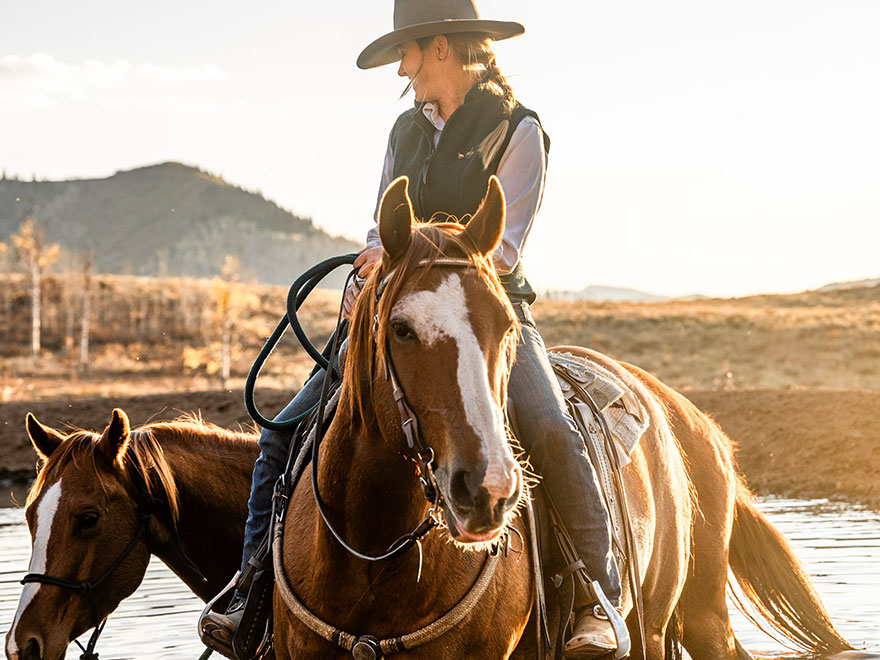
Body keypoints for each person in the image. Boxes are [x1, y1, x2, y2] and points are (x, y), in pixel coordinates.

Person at [202, 2, 627, 659]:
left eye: (406, 53)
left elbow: (503, 249)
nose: (401, 68)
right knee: (283, 429)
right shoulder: (404, 130)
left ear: (438, 49)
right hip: (394, 315)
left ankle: (596, 600)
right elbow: (380, 230)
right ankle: (252, 592)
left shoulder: (520, 131)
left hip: (485, 315)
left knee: (547, 427)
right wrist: (364, 275)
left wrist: (415, 251)